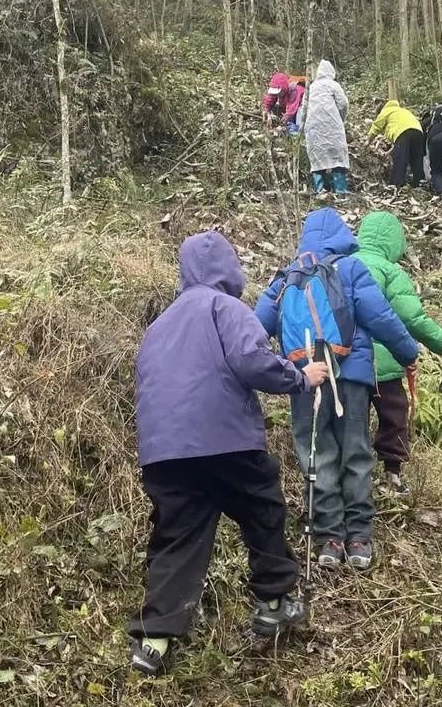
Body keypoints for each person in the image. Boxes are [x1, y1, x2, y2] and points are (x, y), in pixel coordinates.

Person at [129, 231, 329, 676]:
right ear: (227, 269)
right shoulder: (225, 308)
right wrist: (300, 377)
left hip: (164, 453)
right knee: (262, 508)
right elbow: (251, 361)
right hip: (225, 440)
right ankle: (274, 600)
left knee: (177, 537)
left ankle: (154, 643)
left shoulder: (159, 325)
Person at [255, 208, 418, 571]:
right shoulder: (351, 268)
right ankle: (359, 537)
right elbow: (381, 317)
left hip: (305, 377)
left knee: (316, 453)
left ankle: (329, 537)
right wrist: (408, 352)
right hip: (351, 377)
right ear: (344, 235)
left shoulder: (288, 275)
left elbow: (255, 328)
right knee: (355, 451)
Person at [355, 211, 442, 496]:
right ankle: (392, 475)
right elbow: (412, 319)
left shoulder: (342, 264)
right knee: (394, 415)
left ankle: (355, 478)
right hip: (386, 364)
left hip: (346, 362)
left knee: (353, 419)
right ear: (395, 242)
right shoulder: (391, 272)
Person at [302, 60, 350, 194]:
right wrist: (340, 119)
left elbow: (303, 109)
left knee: (317, 159)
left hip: (312, 129)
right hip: (332, 127)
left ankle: (320, 190)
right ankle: (340, 191)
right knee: (337, 159)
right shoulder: (333, 85)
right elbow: (343, 104)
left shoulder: (310, 88)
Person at [368, 99, 425, 188]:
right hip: (418, 132)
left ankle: (396, 184)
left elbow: (376, 126)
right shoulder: (402, 111)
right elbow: (399, 144)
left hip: (403, 133)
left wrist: (368, 140)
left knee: (400, 159)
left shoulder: (386, 111)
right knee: (416, 158)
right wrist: (388, 153)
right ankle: (417, 183)